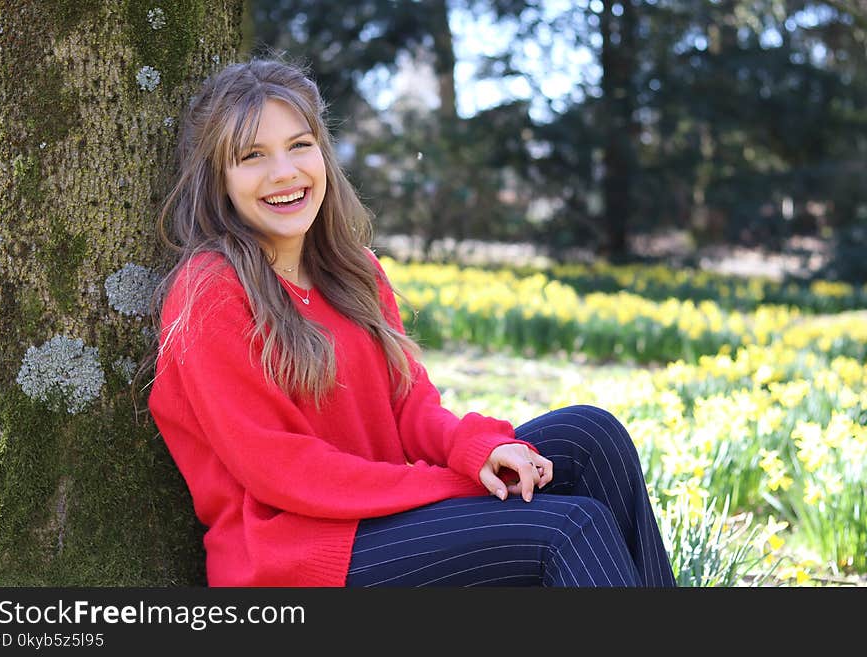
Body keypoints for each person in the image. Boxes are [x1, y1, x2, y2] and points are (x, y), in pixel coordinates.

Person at [146, 57, 677, 588]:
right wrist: (453, 483)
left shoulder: (354, 270)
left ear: (323, 154)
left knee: (591, 435)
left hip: (385, 513)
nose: (284, 171)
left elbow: (411, 407)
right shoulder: (210, 290)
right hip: (300, 557)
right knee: (569, 526)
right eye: (252, 156)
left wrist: (478, 449)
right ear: (219, 177)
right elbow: (281, 470)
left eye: (299, 145)